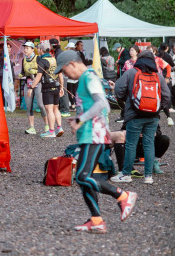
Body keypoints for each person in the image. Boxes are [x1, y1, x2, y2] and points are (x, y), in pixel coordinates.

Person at [55, 50, 137, 233]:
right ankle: (96, 220)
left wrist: (80, 119)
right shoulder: (85, 79)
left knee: (82, 176)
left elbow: (102, 104)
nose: (66, 75)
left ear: (72, 64)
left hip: (94, 136)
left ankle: (123, 196)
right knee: (84, 178)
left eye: (65, 71)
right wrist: (79, 119)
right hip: (90, 135)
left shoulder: (89, 77)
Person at [111, 50, 171, 184]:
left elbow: (118, 90)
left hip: (134, 114)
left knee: (131, 144)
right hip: (153, 115)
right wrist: (157, 108)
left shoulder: (131, 73)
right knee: (149, 144)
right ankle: (148, 176)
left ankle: (126, 174)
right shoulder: (158, 75)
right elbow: (167, 96)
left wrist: (128, 100)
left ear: (139, 59)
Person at [29, 42, 64, 138]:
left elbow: (38, 76)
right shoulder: (55, 59)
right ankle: (59, 127)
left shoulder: (42, 61)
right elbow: (60, 76)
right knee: (56, 109)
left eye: (38, 49)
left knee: (49, 110)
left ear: (41, 50)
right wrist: (61, 87)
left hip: (47, 88)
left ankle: (51, 131)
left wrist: (31, 87)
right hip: (56, 87)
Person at [21, 41, 49, 134]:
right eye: (24, 48)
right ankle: (31, 127)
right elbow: (23, 72)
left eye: (27, 48)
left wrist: (34, 71)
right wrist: (21, 74)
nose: (25, 50)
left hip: (38, 83)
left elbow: (43, 71)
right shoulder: (24, 60)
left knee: (41, 105)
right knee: (29, 106)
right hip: (28, 83)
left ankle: (47, 125)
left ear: (33, 49)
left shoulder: (38, 58)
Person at [152, 45, 173, 126]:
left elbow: (169, 67)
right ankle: (155, 120)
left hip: (158, 82)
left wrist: (167, 77)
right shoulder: (145, 60)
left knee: (162, 100)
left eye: (150, 51)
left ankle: (169, 117)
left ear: (154, 52)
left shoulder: (158, 59)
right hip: (149, 83)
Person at [65, 42, 78, 111]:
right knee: (74, 91)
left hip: (70, 77)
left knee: (70, 91)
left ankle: (73, 105)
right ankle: (75, 104)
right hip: (76, 77)